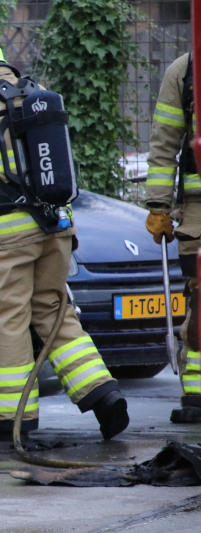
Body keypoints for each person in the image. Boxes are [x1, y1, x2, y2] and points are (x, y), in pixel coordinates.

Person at [0, 26, 129, 442]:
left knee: (9, 321)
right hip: (56, 226)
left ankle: (11, 419)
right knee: (55, 312)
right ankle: (102, 393)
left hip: (5, 237)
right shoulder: (36, 93)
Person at [144, 52, 201, 423]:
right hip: (198, 211)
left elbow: (164, 145)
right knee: (199, 301)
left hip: (197, 215)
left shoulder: (185, 70)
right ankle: (197, 392)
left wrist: (160, 206)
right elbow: (165, 143)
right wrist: (159, 206)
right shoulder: (184, 72)